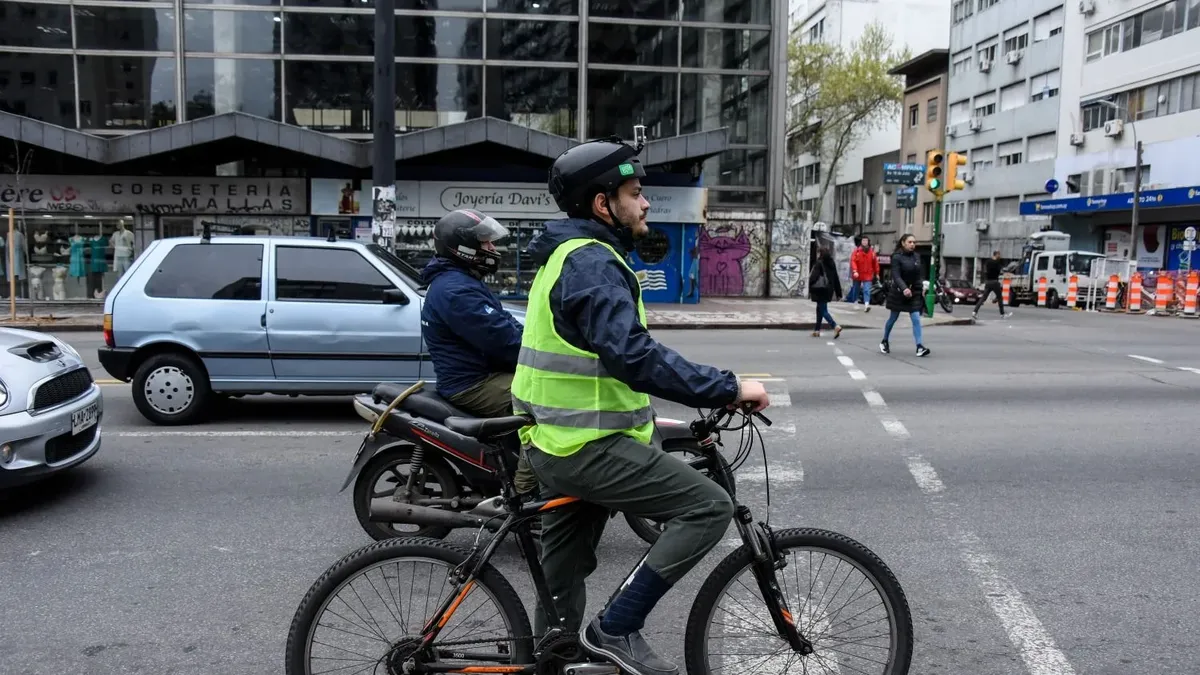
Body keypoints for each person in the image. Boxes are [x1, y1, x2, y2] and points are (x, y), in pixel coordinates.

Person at [512, 137, 771, 675]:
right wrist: (726, 387)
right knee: (709, 507)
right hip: (585, 447)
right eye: (634, 192)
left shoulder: (567, 255)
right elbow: (634, 357)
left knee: (561, 583)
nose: (646, 202)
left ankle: (550, 662)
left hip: (554, 441)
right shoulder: (591, 264)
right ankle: (618, 626)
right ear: (603, 204)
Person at [420, 208, 537, 494]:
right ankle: (526, 495)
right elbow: (504, 341)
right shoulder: (456, 291)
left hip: (479, 374)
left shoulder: (462, 281)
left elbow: (505, 325)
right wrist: (544, 358)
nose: (492, 248)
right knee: (545, 405)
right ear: (463, 247)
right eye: (485, 243)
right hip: (473, 383)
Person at [880, 234, 931, 357]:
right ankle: (884, 340)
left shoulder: (917, 257)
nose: (913, 244)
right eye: (910, 242)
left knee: (916, 319)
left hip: (914, 292)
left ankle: (919, 347)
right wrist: (904, 288)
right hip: (898, 292)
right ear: (903, 243)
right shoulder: (897, 257)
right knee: (893, 318)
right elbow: (896, 275)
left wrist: (922, 286)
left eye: (914, 242)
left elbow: (918, 275)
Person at [809, 245, 843, 339]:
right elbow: (836, 278)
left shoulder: (819, 263)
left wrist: (809, 285)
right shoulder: (832, 263)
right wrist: (838, 293)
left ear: (821, 254)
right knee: (819, 309)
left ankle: (835, 326)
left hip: (820, 289)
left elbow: (813, 277)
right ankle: (817, 330)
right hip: (828, 290)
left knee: (823, 310)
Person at [972, 250, 1011, 320]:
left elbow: (987, 270)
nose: (1000, 256)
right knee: (1000, 298)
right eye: (999, 255)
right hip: (995, 282)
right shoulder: (997, 263)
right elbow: (1001, 271)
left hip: (988, 282)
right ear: (996, 254)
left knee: (983, 298)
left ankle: (974, 312)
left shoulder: (988, 262)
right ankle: (1002, 314)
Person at [849, 236, 879, 310]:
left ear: (868, 242)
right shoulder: (857, 251)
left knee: (866, 289)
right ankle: (855, 301)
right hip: (858, 273)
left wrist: (877, 273)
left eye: (866, 240)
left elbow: (875, 263)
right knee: (856, 288)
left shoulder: (872, 252)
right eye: (863, 240)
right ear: (861, 242)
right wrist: (855, 271)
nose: (865, 242)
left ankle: (866, 304)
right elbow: (853, 261)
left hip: (868, 274)